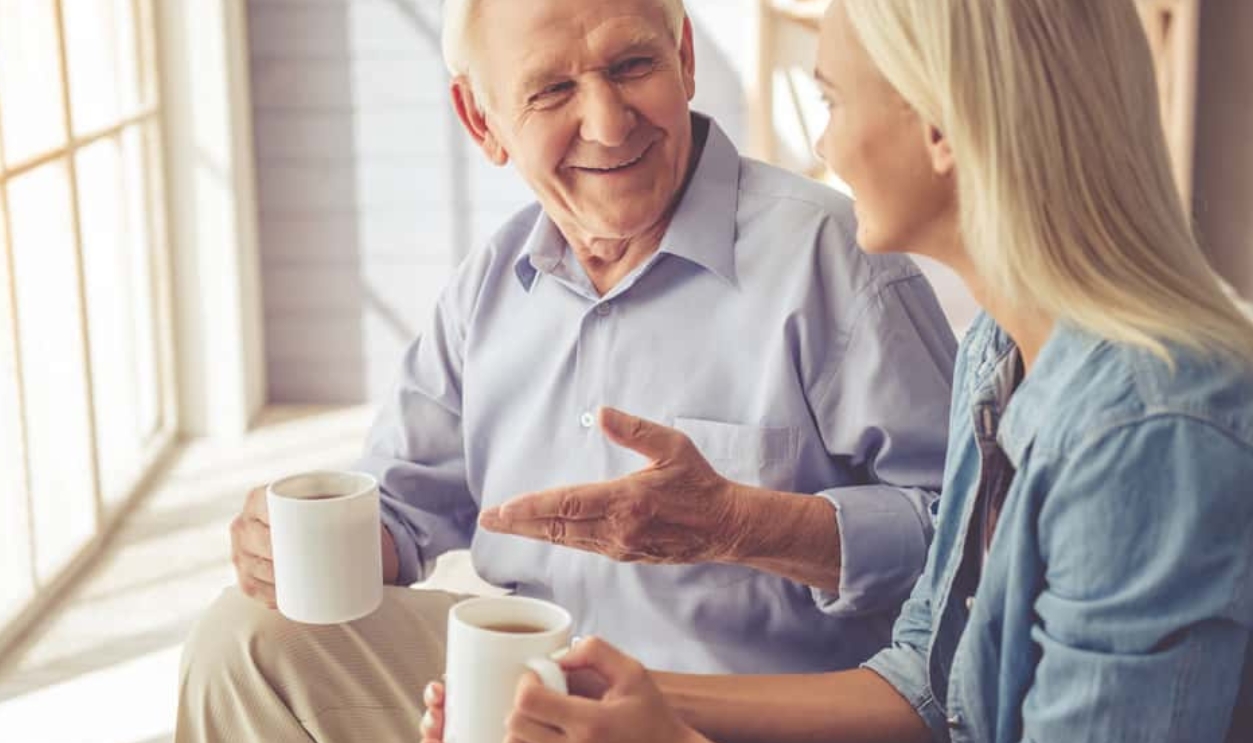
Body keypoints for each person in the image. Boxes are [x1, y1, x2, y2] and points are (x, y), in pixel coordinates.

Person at [419, 0, 1253, 741]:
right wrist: (579, 696)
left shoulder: (1146, 431)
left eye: (831, 99)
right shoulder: (998, 353)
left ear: (938, 124)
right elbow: (932, 685)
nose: (821, 143)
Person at [174, 0, 958, 739]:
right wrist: (297, 545)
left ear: (684, 58)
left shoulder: (835, 256)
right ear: (482, 120)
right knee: (246, 638)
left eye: (630, 67)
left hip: (737, 713)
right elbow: (403, 506)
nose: (608, 124)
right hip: (530, 685)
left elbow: (971, 547)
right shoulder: (491, 281)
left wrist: (740, 524)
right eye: (552, 89)